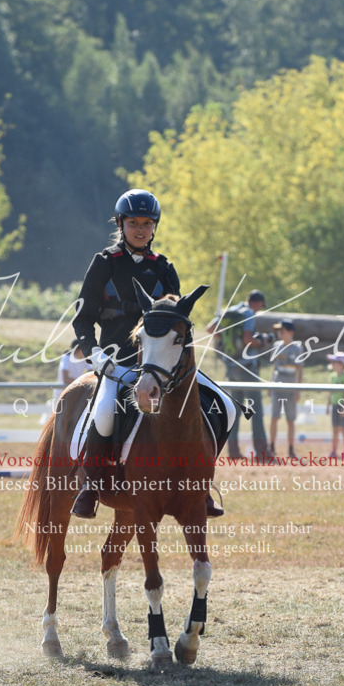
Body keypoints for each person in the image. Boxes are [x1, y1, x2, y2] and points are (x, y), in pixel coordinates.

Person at [70, 189, 236, 519]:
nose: (140, 229)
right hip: (117, 363)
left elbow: (179, 319)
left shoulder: (163, 267)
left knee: (226, 406)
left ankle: (201, 485)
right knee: (105, 412)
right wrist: (95, 354)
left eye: (147, 223)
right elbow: (82, 318)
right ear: (121, 224)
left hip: (164, 366)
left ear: (154, 227)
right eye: (133, 223)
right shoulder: (104, 263)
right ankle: (91, 484)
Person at [210, 289, 270, 461]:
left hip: (231, 367)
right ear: (257, 303)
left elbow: (211, 328)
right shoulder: (248, 313)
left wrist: (225, 342)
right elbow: (247, 339)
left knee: (234, 411)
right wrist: (261, 342)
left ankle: (233, 451)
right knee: (256, 410)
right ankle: (262, 453)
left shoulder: (230, 311)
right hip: (247, 367)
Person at [269, 319, 303, 458]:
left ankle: (291, 448)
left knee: (290, 420)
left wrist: (297, 390)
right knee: (274, 417)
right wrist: (270, 384)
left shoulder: (297, 348)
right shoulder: (276, 346)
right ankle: (271, 446)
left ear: (290, 332)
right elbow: (275, 366)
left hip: (290, 388)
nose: (279, 334)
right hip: (277, 386)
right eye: (279, 331)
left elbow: (299, 370)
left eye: (282, 331)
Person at [326, 352, 344, 460]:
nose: (332, 364)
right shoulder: (332, 376)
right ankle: (334, 450)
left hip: (342, 406)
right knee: (335, 430)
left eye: (335, 362)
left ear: (341, 364)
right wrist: (328, 405)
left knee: (343, 429)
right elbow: (330, 392)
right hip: (334, 405)